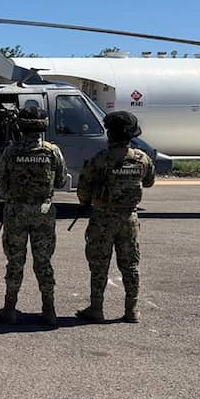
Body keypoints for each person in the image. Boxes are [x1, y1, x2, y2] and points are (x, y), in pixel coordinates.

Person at [75, 111, 155, 324]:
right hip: (129, 219)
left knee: (99, 264)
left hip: (102, 219)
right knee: (130, 265)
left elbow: (83, 190)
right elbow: (149, 182)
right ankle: (132, 310)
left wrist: (86, 202)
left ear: (110, 133)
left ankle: (96, 308)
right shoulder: (142, 159)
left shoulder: (99, 160)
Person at [0, 106, 67, 326]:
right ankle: (49, 310)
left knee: (15, 261)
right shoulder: (52, 151)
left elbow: (0, 186)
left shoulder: (11, 151)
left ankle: (9, 309)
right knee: (43, 261)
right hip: (43, 213)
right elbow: (61, 181)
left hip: (16, 213)